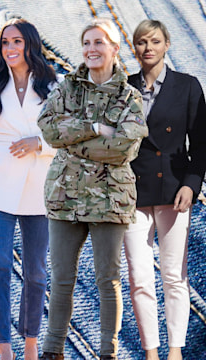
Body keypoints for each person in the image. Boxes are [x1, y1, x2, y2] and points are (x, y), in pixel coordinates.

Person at [37, 18, 148, 360]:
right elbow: (48, 128)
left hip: (110, 199)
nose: (91, 49)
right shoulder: (67, 88)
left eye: (99, 42)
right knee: (61, 280)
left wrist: (74, 144)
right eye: (86, 43)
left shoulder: (130, 96)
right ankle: (52, 351)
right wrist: (95, 126)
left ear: (115, 49)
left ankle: (107, 353)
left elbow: (124, 148)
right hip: (64, 196)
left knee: (107, 280)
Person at [0, 18, 58, 360]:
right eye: (5, 42)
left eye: (17, 42)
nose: (10, 48)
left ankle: (31, 341)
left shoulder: (54, 85)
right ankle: (4, 345)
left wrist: (38, 142)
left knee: (37, 272)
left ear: (30, 45)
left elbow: (70, 135)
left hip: (41, 187)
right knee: (1, 267)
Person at [122, 20, 206, 360]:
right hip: (132, 193)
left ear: (167, 44)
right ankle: (151, 352)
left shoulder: (187, 86)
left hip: (174, 190)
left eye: (154, 41)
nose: (148, 48)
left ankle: (175, 351)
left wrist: (191, 184)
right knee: (139, 277)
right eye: (141, 42)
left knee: (174, 276)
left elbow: (201, 143)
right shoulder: (123, 87)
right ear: (135, 48)